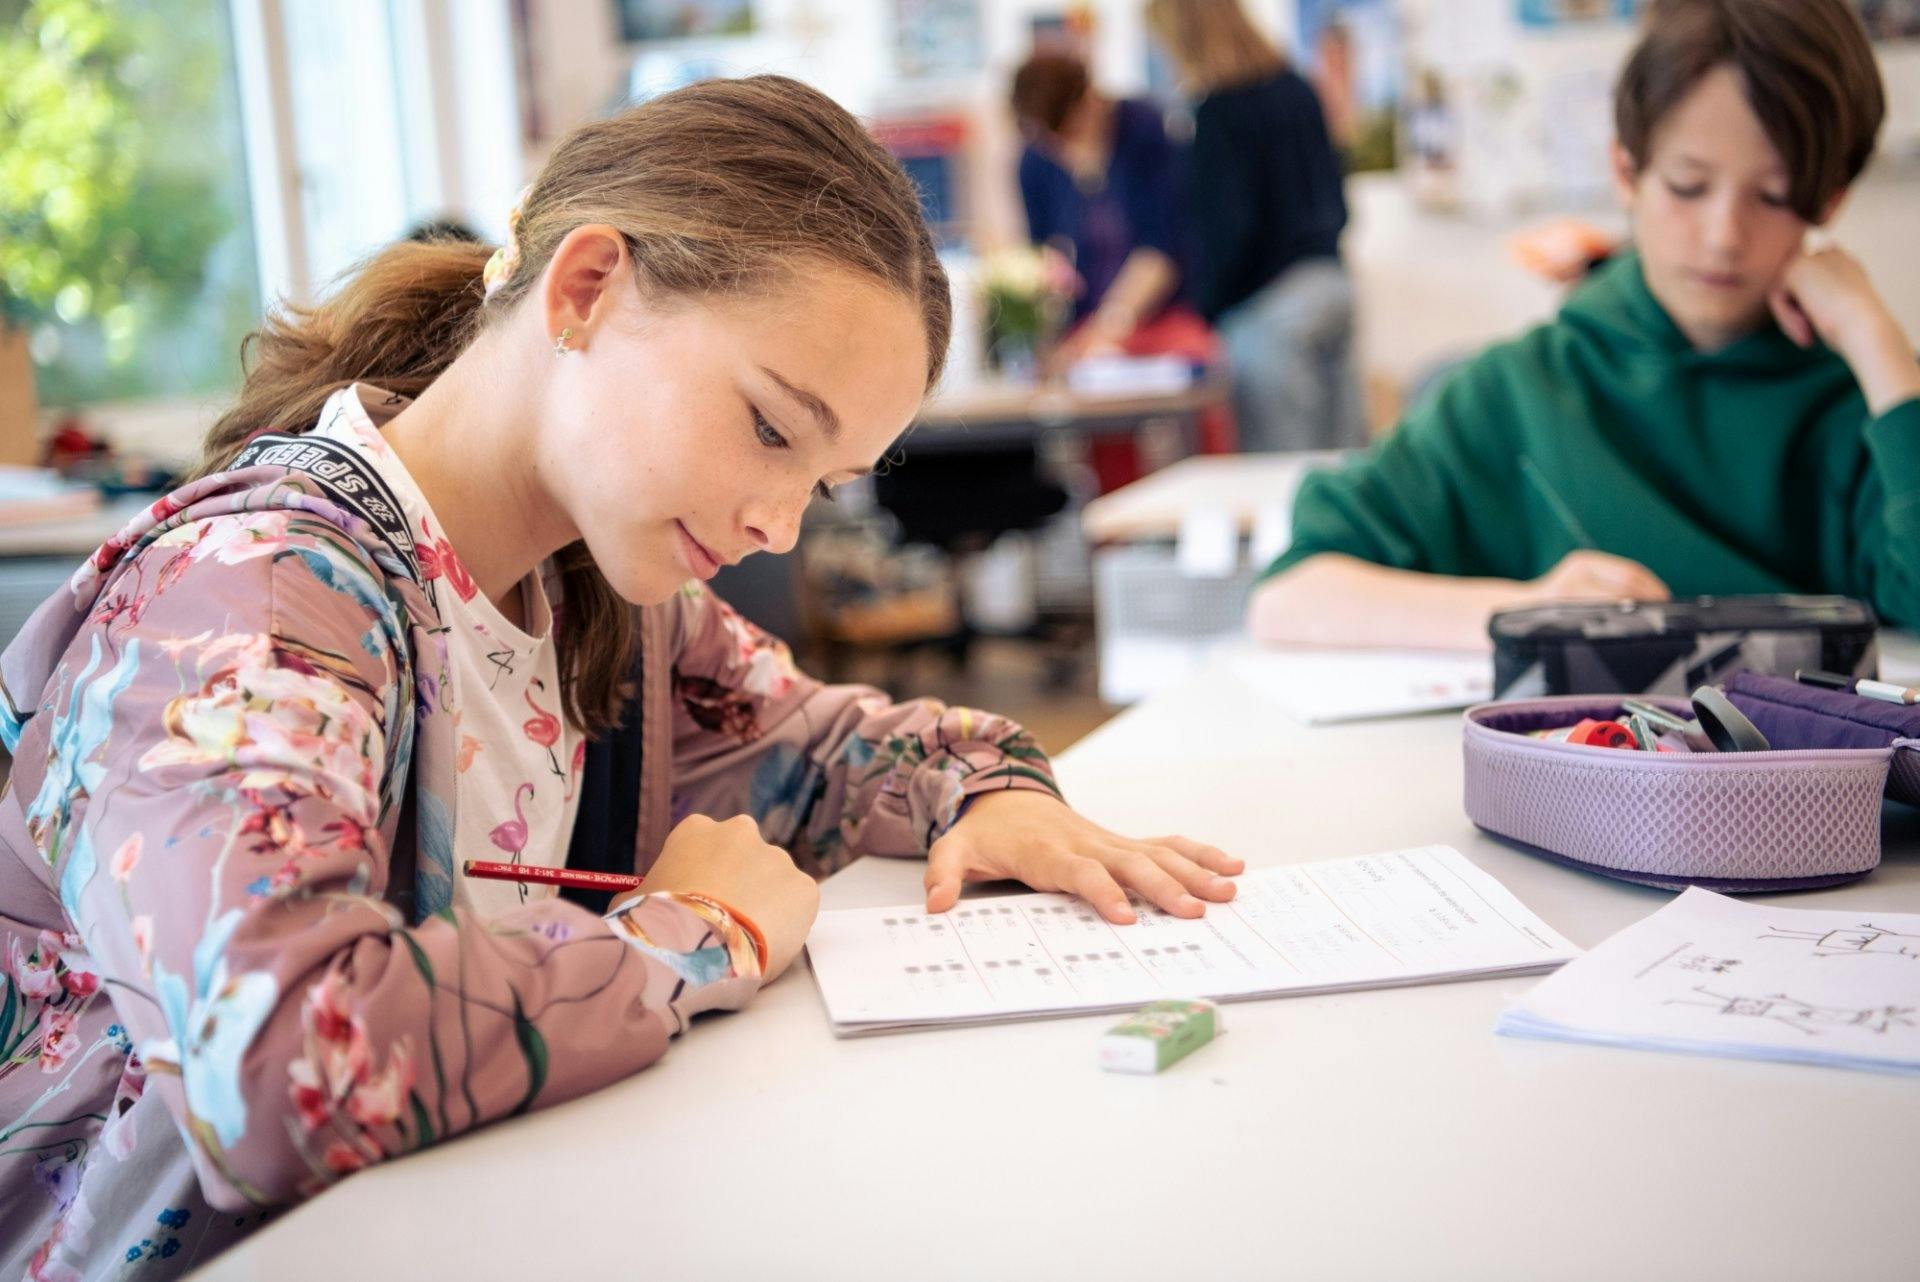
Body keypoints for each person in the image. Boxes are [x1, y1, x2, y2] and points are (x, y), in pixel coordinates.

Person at [0, 76, 1244, 1278]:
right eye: (769, 428)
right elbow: (275, 1072)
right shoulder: (251, 593)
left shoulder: (595, 584)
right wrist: (689, 937)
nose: (781, 528)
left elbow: (824, 745)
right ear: (587, 287)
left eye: (821, 484)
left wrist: (993, 789)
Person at [1248, 0, 1920, 652]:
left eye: (1772, 196)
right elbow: (1290, 593)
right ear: (1626, 171)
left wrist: (1876, 339)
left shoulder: (1865, 404)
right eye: (1688, 186)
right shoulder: (1526, 387)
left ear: (1828, 199)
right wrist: (1524, 612)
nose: (1723, 237)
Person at [1145, 0, 1365, 454]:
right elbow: (1340, 201)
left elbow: (1231, 235)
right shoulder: (1299, 89)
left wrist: (1206, 308)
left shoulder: (1218, 112)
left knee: (1278, 478)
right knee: (1343, 469)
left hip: (1270, 310)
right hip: (1330, 288)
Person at [1010, 51, 1188, 368]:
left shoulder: (1142, 128)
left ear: (1090, 99)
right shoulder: (1035, 160)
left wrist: (1109, 325)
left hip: (1161, 315)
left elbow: (1162, 249)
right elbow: (1047, 261)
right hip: (1086, 329)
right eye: (1052, 142)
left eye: (1070, 132)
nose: (1063, 150)